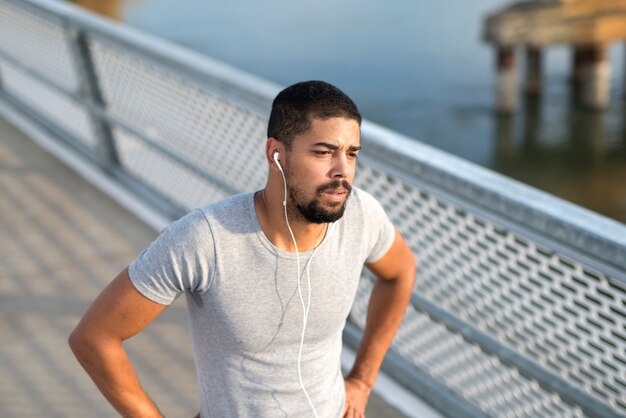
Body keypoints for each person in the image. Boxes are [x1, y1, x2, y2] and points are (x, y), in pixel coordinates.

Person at [69, 80, 416, 418]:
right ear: (276, 154)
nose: (342, 171)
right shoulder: (206, 238)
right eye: (324, 153)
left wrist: (362, 380)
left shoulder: (361, 215)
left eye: (351, 154)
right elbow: (94, 338)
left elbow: (401, 273)